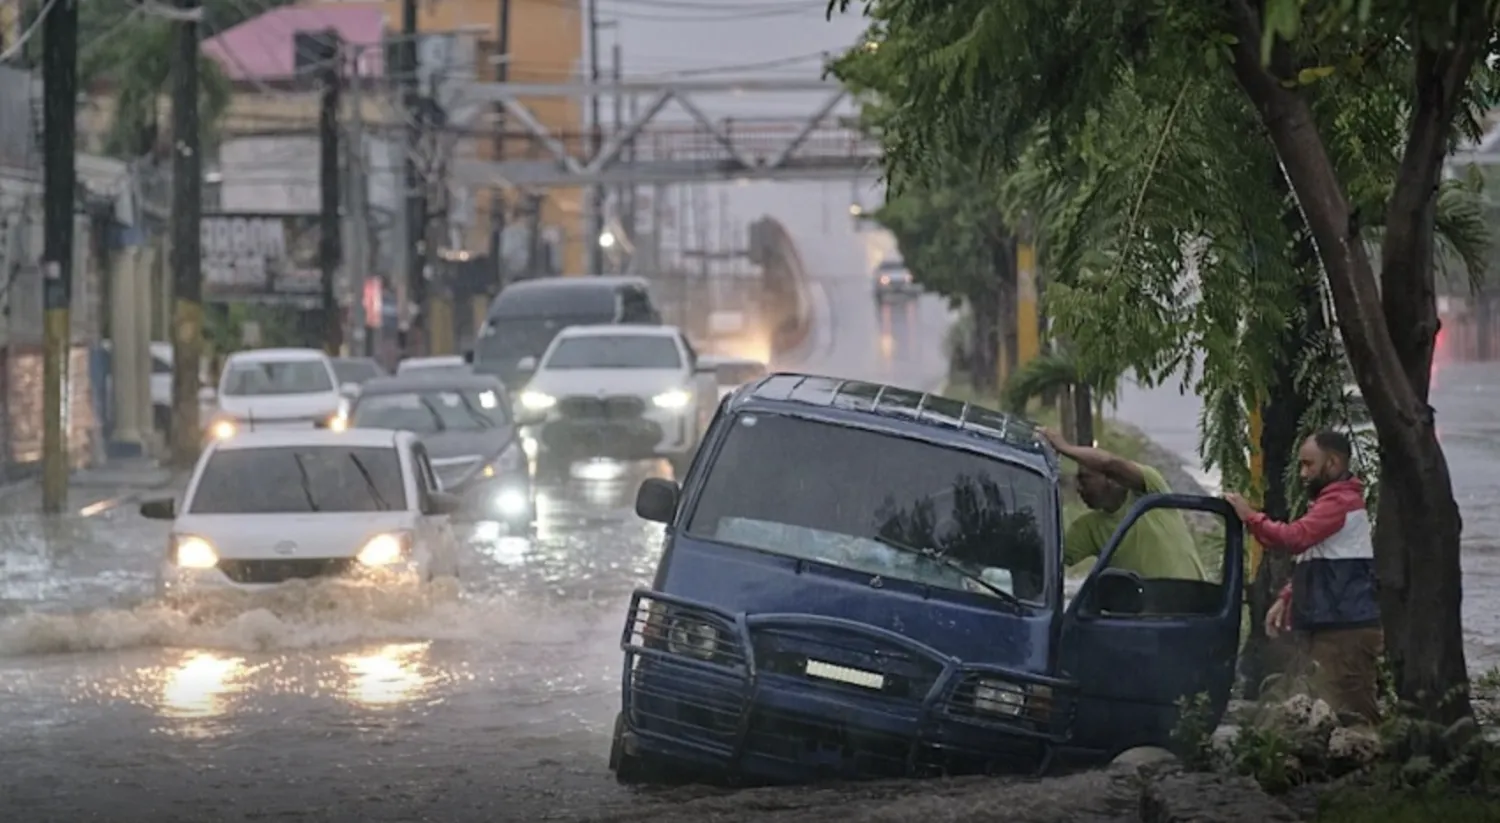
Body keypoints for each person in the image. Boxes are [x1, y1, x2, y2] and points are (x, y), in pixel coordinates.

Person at [1225, 429, 1382, 724]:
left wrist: (1250, 517)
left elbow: (1294, 538)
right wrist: (1286, 597)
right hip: (1334, 626)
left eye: (1309, 464)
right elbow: (1315, 558)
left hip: (1345, 630)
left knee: (1354, 715)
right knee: (1331, 711)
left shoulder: (1340, 503)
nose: (1302, 473)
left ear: (1333, 463)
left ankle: (1381, 766)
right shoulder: (1332, 502)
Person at [1040, 428, 1208, 581]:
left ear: (1111, 479)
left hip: (1194, 603)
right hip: (1147, 612)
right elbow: (1050, 559)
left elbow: (1110, 464)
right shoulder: (1089, 528)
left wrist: (1065, 448)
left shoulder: (1150, 490)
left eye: (1085, 479)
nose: (1078, 488)